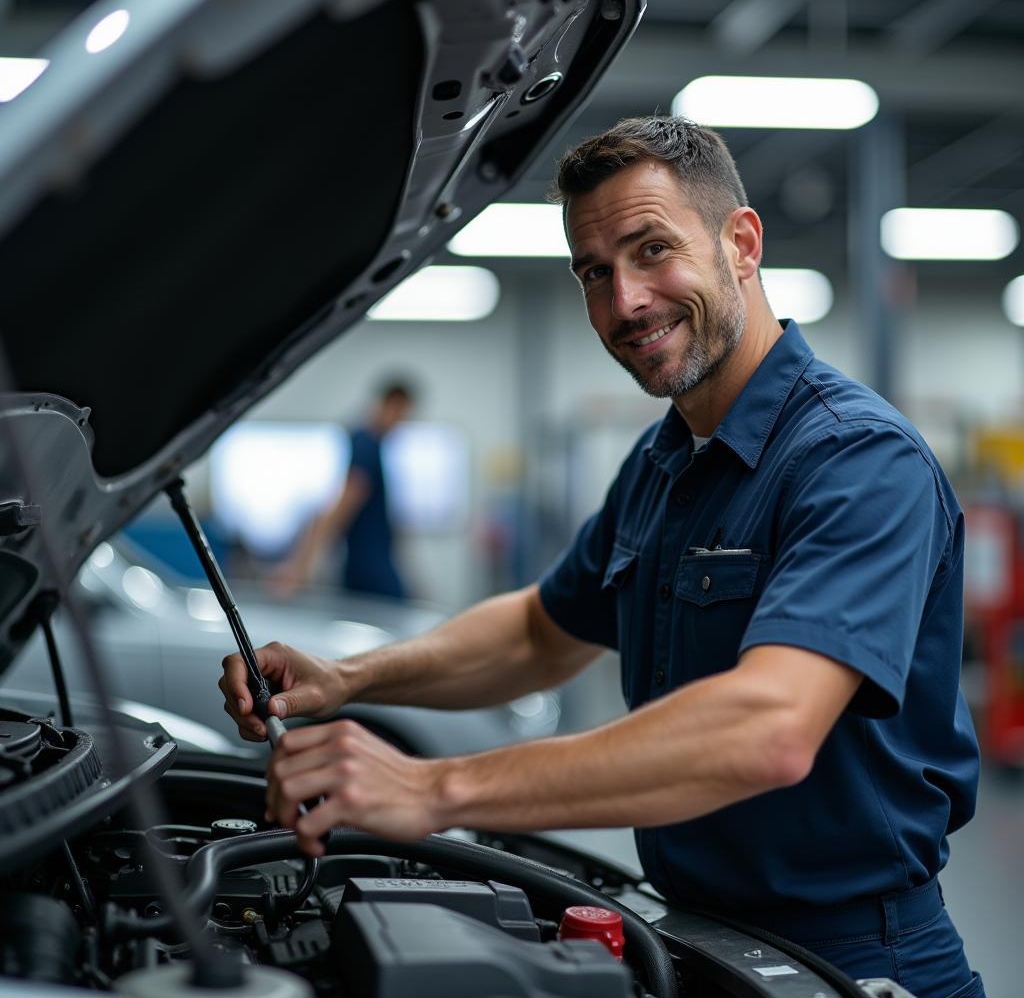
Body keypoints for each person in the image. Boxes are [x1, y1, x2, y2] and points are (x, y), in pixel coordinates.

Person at [222, 117, 983, 998]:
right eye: (595, 272)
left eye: (652, 249)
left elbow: (766, 730)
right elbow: (543, 632)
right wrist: (348, 677)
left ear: (741, 243)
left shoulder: (857, 461)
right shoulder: (668, 458)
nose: (624, 302)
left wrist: (436, 789)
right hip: (702, 935)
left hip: (854, 962)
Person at [270, 381, 414, 600]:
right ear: (392, 405)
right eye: (402, 414)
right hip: (368, 567)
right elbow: (343, 505)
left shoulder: (372, 445)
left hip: (370, 561)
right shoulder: (366, 444)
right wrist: (299, 566)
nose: (401, 423)